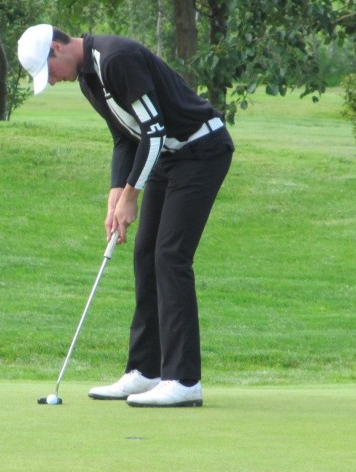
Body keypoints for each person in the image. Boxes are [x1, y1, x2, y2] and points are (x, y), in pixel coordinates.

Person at [18, 24, 234, 407]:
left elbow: (154, 129)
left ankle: (184, 380)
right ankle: (146, 372)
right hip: (169, 156)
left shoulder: (115, 59)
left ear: (57, 48)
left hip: (201, 150)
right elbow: (124, 138)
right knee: (146, 254)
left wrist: (132, 195)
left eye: (48, 72)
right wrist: (115, 197)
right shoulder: (88, 79)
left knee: (171, 256)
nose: (51, 81)